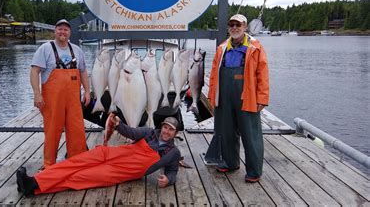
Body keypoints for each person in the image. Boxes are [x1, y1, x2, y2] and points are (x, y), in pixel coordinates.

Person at [16, 114, 181, 197]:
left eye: (170, 129)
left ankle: (34, 188)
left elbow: (172, 172)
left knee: (81, 176)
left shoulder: (173, 153)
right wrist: (117, 124)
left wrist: (168, 180)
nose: (166, 131)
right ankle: (36, 179)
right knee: (75, 162)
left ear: (175, 133)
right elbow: (131, 132)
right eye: (165, 127)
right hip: (113, 153)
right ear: (162, 127)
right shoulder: (149, 132)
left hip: (125, 171)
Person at [207, 14, 269, 183]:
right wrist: (212, 96)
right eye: (231, 25)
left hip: (247, 95)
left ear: (245, 27)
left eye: (238, 25)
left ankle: (254, 170)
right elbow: (213, 75)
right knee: (225, 130)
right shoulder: (222, 48)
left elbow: (262, 74)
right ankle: (230, 162)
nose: (234, 28)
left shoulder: (255, 47)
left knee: (251, 134)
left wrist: (262, 98)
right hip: (224, 94)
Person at [30, 19, 91, 168]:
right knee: (52, 131)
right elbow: (34, 71)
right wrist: (37, 94)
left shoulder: (76, 50)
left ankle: (77, 162)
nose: (63, 32)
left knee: (77, 129)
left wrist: (87, 91)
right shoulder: (45, 48)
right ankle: (49, 164)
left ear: (70, 33)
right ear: (55, 31)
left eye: (66, 30)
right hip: (52, 100)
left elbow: (83, 71)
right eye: (60, 29)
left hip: (73, 100)